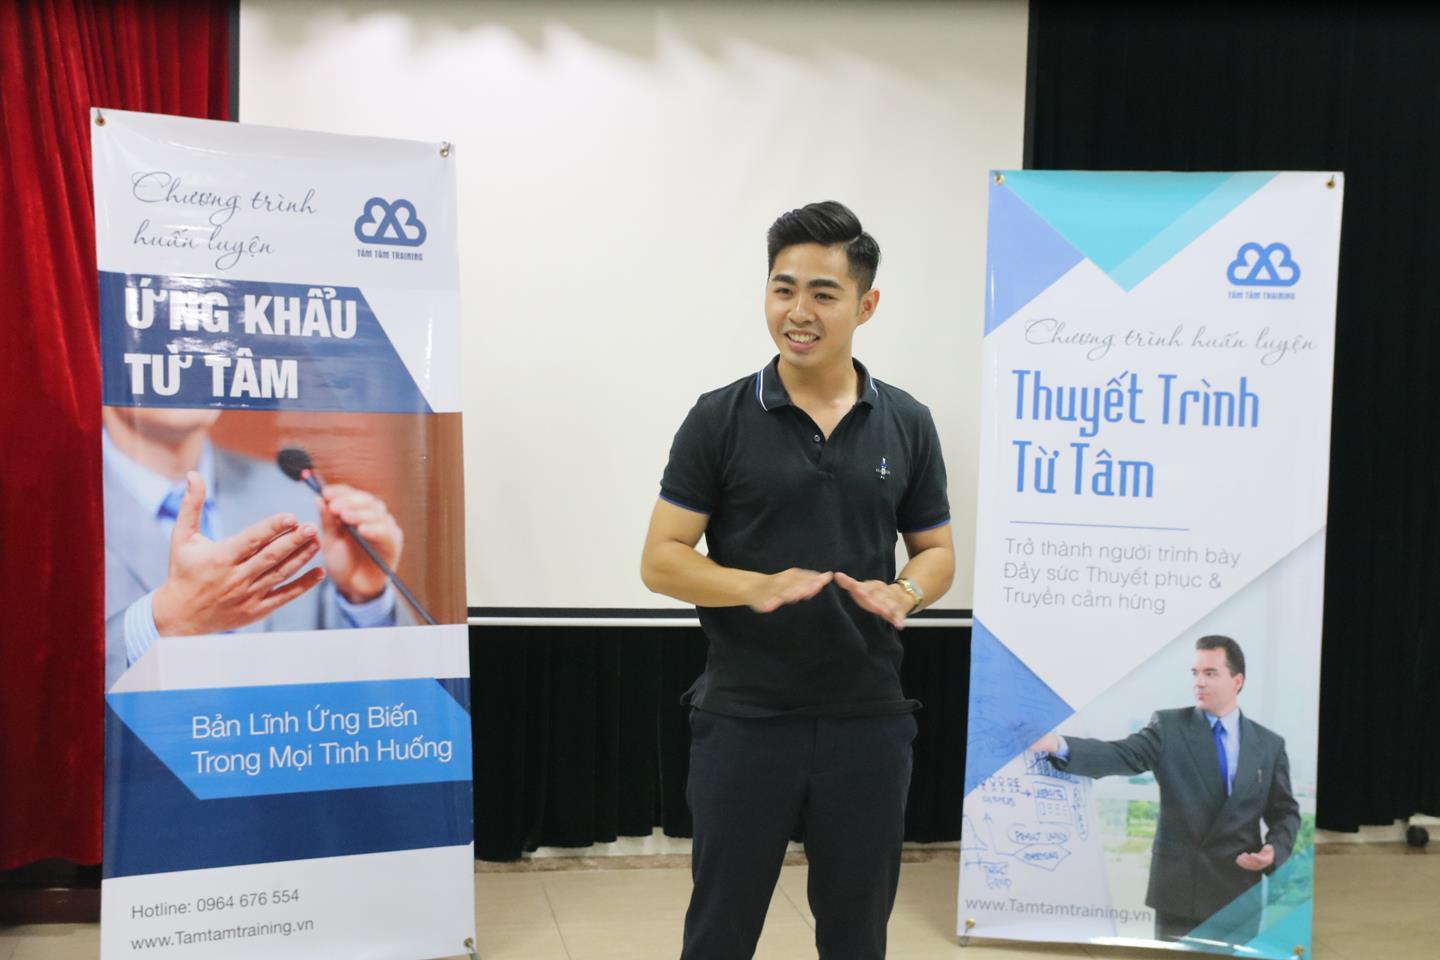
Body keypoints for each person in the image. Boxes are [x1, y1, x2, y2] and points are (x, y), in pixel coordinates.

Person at [640, 201, 954, 959]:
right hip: (746, 717)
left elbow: (936, 552)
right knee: (719, 933)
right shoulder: (719, 418)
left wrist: (904, 592)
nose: (798, 312)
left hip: (868, 717)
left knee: (857, 936)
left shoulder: (907, 421)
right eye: (783, 289)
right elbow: (662, 558)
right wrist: (753, 586)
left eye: (823, 293)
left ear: (865, 306)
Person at [102, 405, 408, 689]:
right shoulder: (72, 506)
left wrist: (365, 599)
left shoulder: (294, 494)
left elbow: (388, 695)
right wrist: (160, 623)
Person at [1029, 635, 1300, 945]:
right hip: (1181, 888)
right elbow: (1121, 754)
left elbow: (1285, 812)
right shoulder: (1169, 727)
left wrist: (1274, 850)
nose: (1199, 682)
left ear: (1237, 681)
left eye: (1210, 673)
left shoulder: (1269, 745)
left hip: (1239, 891)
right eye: (1195, 673)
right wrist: (1057, 744)